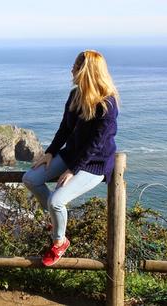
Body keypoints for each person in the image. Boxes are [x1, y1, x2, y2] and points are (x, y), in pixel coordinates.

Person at [22, 50, 120, 266]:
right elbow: (64, 130)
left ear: (86, 71)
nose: (72, 69)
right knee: (30, 178)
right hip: (72, 155)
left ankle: (59, 242)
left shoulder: (107, 104)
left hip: (95, 163)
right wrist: (49, 152)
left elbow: (96, 144)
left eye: (76, 66)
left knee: (56, 201)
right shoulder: (75, 95)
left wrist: (72, 170)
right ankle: (54, 221)